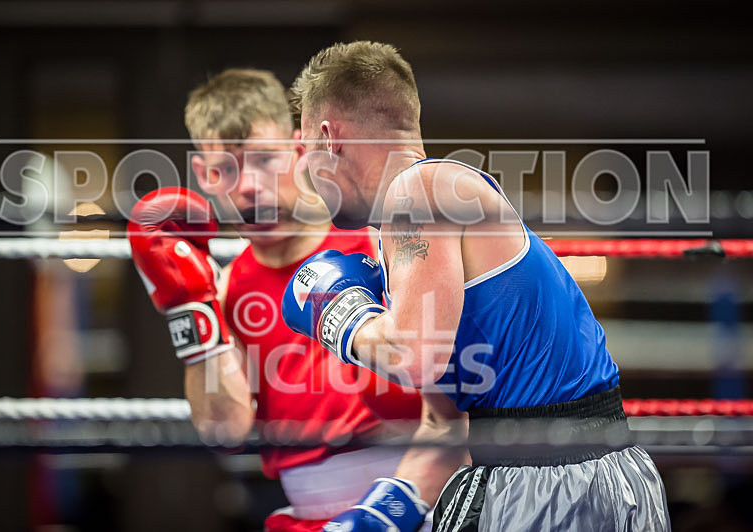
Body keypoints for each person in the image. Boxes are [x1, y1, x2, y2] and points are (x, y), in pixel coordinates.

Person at [281, 42, 671, 531]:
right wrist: (374, 517)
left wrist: (336, 313)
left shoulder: (420, 192)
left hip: (556, 480)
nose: (308, 178)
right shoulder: (406, 227)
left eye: (307, 152)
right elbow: (445, 427)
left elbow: (414, 357)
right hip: (561, 475)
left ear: (329, 137)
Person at [127, 68, 421, 532]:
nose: (247, 186)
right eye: (225, 168)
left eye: (263, 159)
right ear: (204, 175)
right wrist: (190, 308)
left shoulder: (374, 240)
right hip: (308, 515)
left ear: (300, 151)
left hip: (419, 496)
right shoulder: (221, 291)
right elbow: (223, 433)